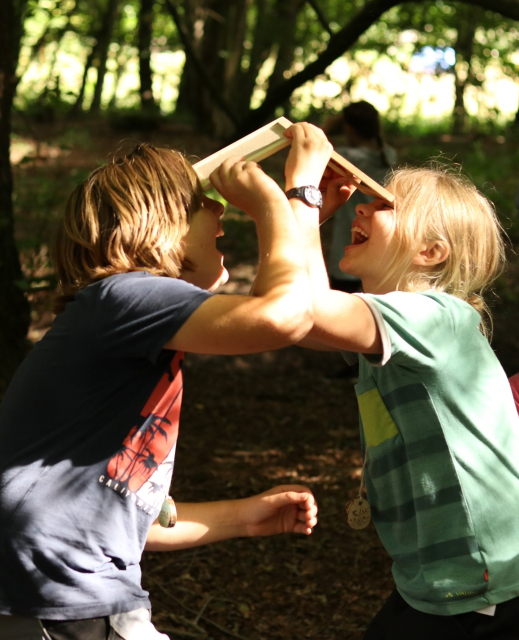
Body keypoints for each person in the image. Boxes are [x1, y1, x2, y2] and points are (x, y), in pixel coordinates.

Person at [0, 133, 324, 639]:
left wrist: (243, 518)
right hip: (68, 604)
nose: (222, 214)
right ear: (159, 227)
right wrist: (284, 201)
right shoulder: (123, 296)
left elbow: (125, 519)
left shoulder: (119, 319)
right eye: (205, 203)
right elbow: (285, 317)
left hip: (67, 601)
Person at [282, 123, 519, 639]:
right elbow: (290, 321)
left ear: (430, 253)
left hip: (485, 589)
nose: (360, 209)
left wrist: (299, 194)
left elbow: (304, 311)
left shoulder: (438, 319)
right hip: (433, 584)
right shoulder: (391, 327)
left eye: (383, 205)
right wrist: (311, 219)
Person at [322, 100, 397, 293]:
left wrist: (328, 126)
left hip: (347, 246)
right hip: (379, 252)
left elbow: (313, 147)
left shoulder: (346, 157)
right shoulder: (389, 154)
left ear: (348, 128)